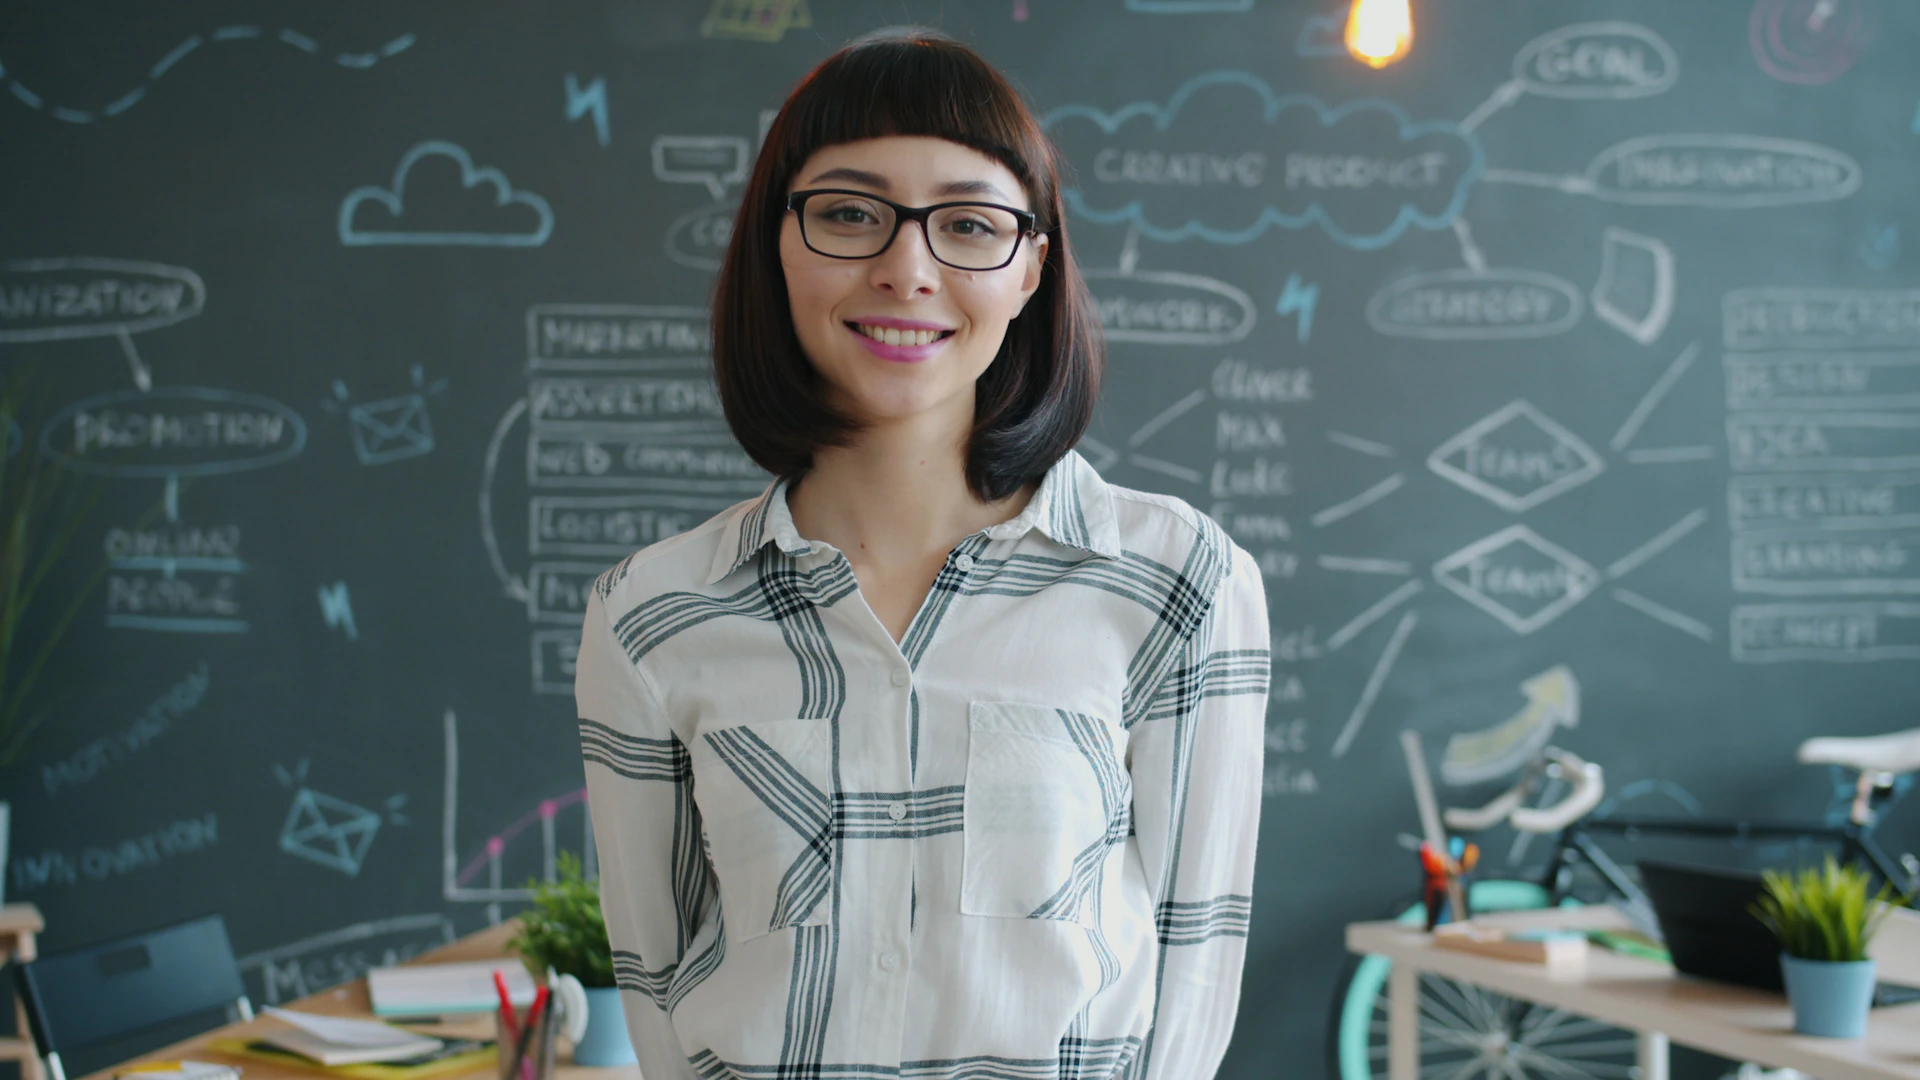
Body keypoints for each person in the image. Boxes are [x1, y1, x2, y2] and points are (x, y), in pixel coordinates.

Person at [574, 26, 1271, 1080]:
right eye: (849, 214)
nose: (907, 270)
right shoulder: (654, 613)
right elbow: (659, 983)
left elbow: (1193, 973)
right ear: (777, 239)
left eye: (968, 224)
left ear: (1032, 266)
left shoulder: (1176, 583)